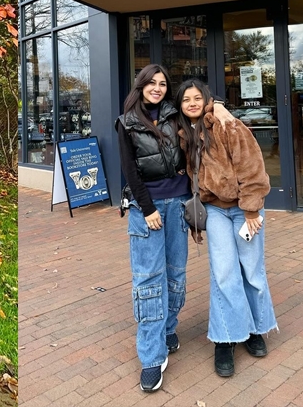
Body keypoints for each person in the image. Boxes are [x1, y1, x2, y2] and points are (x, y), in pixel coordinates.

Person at [175, 79, 274, 378]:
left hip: (245, 209)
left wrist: (252, 208)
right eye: (185, 100)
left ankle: (256, 329)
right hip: (215, 210)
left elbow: (251, 165)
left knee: (252, 271)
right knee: (224, 273)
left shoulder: (227, 124)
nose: (191, 103)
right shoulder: (183, 134)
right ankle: (226, 338)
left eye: (197, 98)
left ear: (207, 99)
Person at [115, 64, 191, 392]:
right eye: (152, 83)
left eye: (162, 84)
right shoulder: (127, 122)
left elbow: (203, 115)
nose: (157, 88)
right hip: (147, 209)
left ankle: (168, 327)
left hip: (178, 206)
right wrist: (147, 209)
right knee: (149, 280)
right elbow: (130, 170)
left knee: (176, 275)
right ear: (141, 86)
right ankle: (151, 355)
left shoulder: (176, 116)